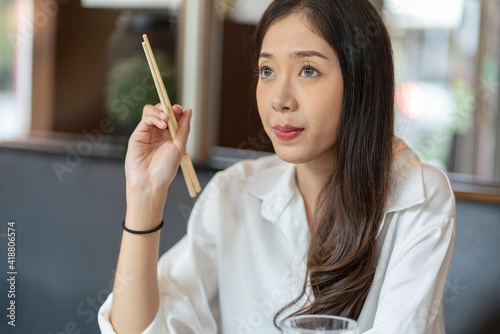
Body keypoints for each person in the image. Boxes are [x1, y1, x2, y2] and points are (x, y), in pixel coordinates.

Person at [98, 0, 456, 333]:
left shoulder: (417, 197)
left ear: (360, 81)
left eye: (309, 70)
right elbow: (140, 329)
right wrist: (144, 197)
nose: (280, 99)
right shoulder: (235, 192)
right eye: (267, 70)